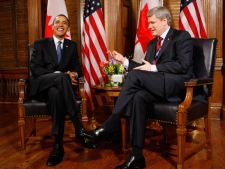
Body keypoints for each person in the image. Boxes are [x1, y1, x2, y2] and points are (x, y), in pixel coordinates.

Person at [83, 6, 193, 169]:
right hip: (156, 85)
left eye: (152, 22)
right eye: (148, 23)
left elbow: (183, 65)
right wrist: (125, 62)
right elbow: (144, 68)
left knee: (135, 78)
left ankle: (109, 125)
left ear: (164, 21)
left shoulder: (181, 37)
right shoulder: (151, 44)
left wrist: (154, 68)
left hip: (174, 86)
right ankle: (137, 155)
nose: (149, 26)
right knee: (137, 97)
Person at [28, 14, 98, 166]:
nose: (61, 25)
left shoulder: (71, 46)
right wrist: (60, 75)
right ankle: (78, 127)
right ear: (52, 26)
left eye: (64, 23)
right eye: (57, 22)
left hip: (59, 89)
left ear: (68, 28)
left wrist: (74, 73)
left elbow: (77, 67)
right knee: (61, 78)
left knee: (56, 93)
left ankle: (58, 146)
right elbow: (35, 69)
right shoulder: (40, 44)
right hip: (41, 85)